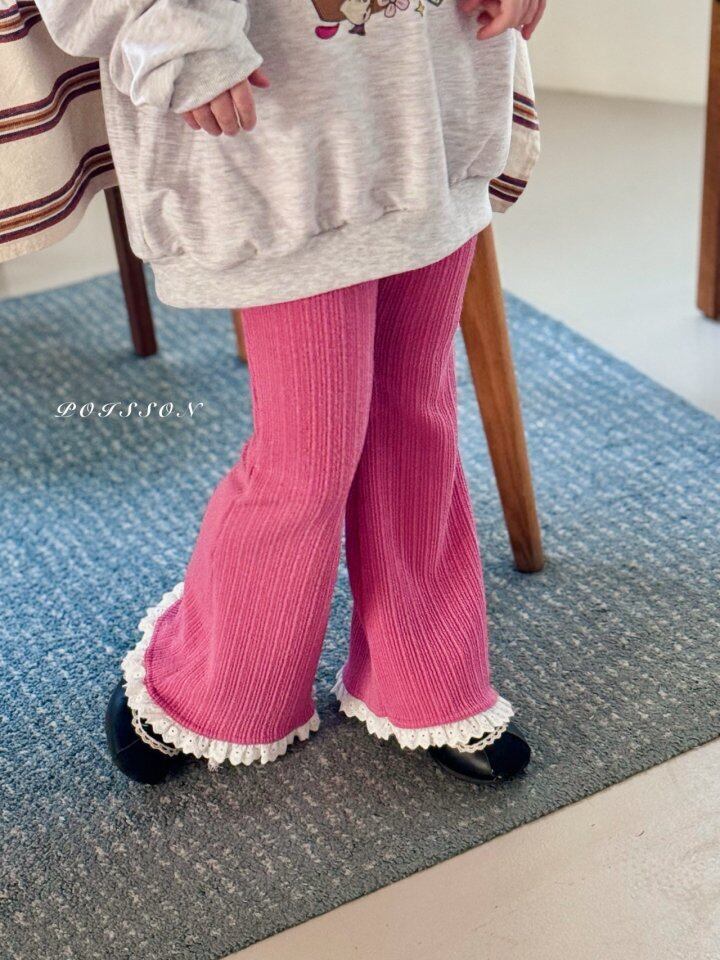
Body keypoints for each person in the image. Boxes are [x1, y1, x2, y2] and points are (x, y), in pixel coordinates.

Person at [37, 0, 547, 785]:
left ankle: (424, 669)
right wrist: (173, 36)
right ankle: (215, 678)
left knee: (413, 414)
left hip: (432, 88)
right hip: (273, 128)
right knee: (309, 454)